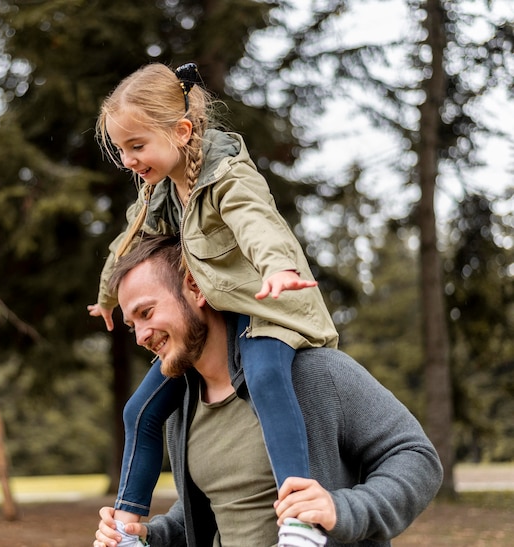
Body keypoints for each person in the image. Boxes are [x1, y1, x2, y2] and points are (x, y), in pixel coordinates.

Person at [87, 63, 339, 545]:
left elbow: (256, 223)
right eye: (120, 149)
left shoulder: (227, 176)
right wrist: (106, 297)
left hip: (266, 307)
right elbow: (130, 243)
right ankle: (127, 527)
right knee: (138, 412)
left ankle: (300, 517)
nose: (127, 159)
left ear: (181, 131)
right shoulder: (160, 192)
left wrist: (278, 269)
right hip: (217, 316)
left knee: (265, 377)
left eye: (136, 146)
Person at [93, 235, 443, 547]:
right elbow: (213, 508)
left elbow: (416, 458)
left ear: (195, 288)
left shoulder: (315, 373)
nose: (140, 336)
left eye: (147, 312)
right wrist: (149, 536)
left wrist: (340, 510)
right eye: (131, 324)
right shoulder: (180, 410)